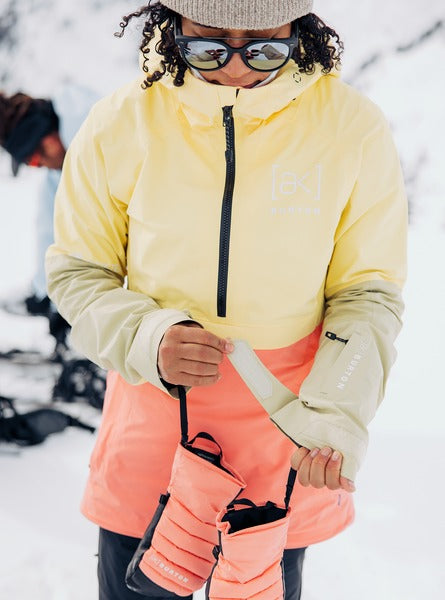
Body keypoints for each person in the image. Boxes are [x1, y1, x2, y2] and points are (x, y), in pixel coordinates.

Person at [46, 1, 407, 599]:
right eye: (209, 46)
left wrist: (339, 406)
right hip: (153, 431)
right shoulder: (118, 123)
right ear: (173, 27)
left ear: (299, 30)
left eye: (264, 48)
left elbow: (367, 291)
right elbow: (79, 273)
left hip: (287, 440)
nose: (236, 68)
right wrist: (146, 337)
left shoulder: (352, 128)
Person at [0, 86, 94, 317]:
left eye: (36, 156)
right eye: (31, 163)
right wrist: (50, 295)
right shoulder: (58, 171)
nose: (40, 164)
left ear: (45, 132)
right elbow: (49, 231)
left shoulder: (97, 136)